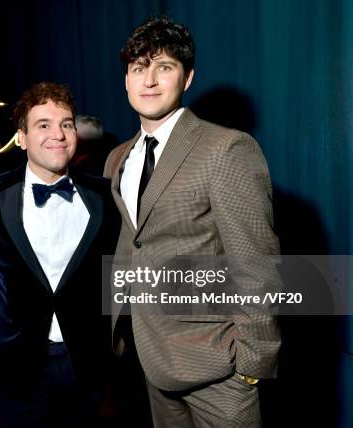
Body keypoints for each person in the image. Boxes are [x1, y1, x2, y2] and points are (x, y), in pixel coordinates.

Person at [103, 16, 281, 427]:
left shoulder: (226, 148)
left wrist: (250, 364)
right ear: (126, 80)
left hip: (218, 368)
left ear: (187, 78)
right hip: (150, 359)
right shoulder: (119, 159)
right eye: (137, 69)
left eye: (163, 67)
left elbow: (255, 263)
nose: (149, 80)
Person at [0, 82, 119, 428]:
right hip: (16, 369)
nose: (59, 134)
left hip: (85, 367)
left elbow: (115, 277)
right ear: (21, 138)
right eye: (43, 125)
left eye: (66, 124)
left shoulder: (105, 195)